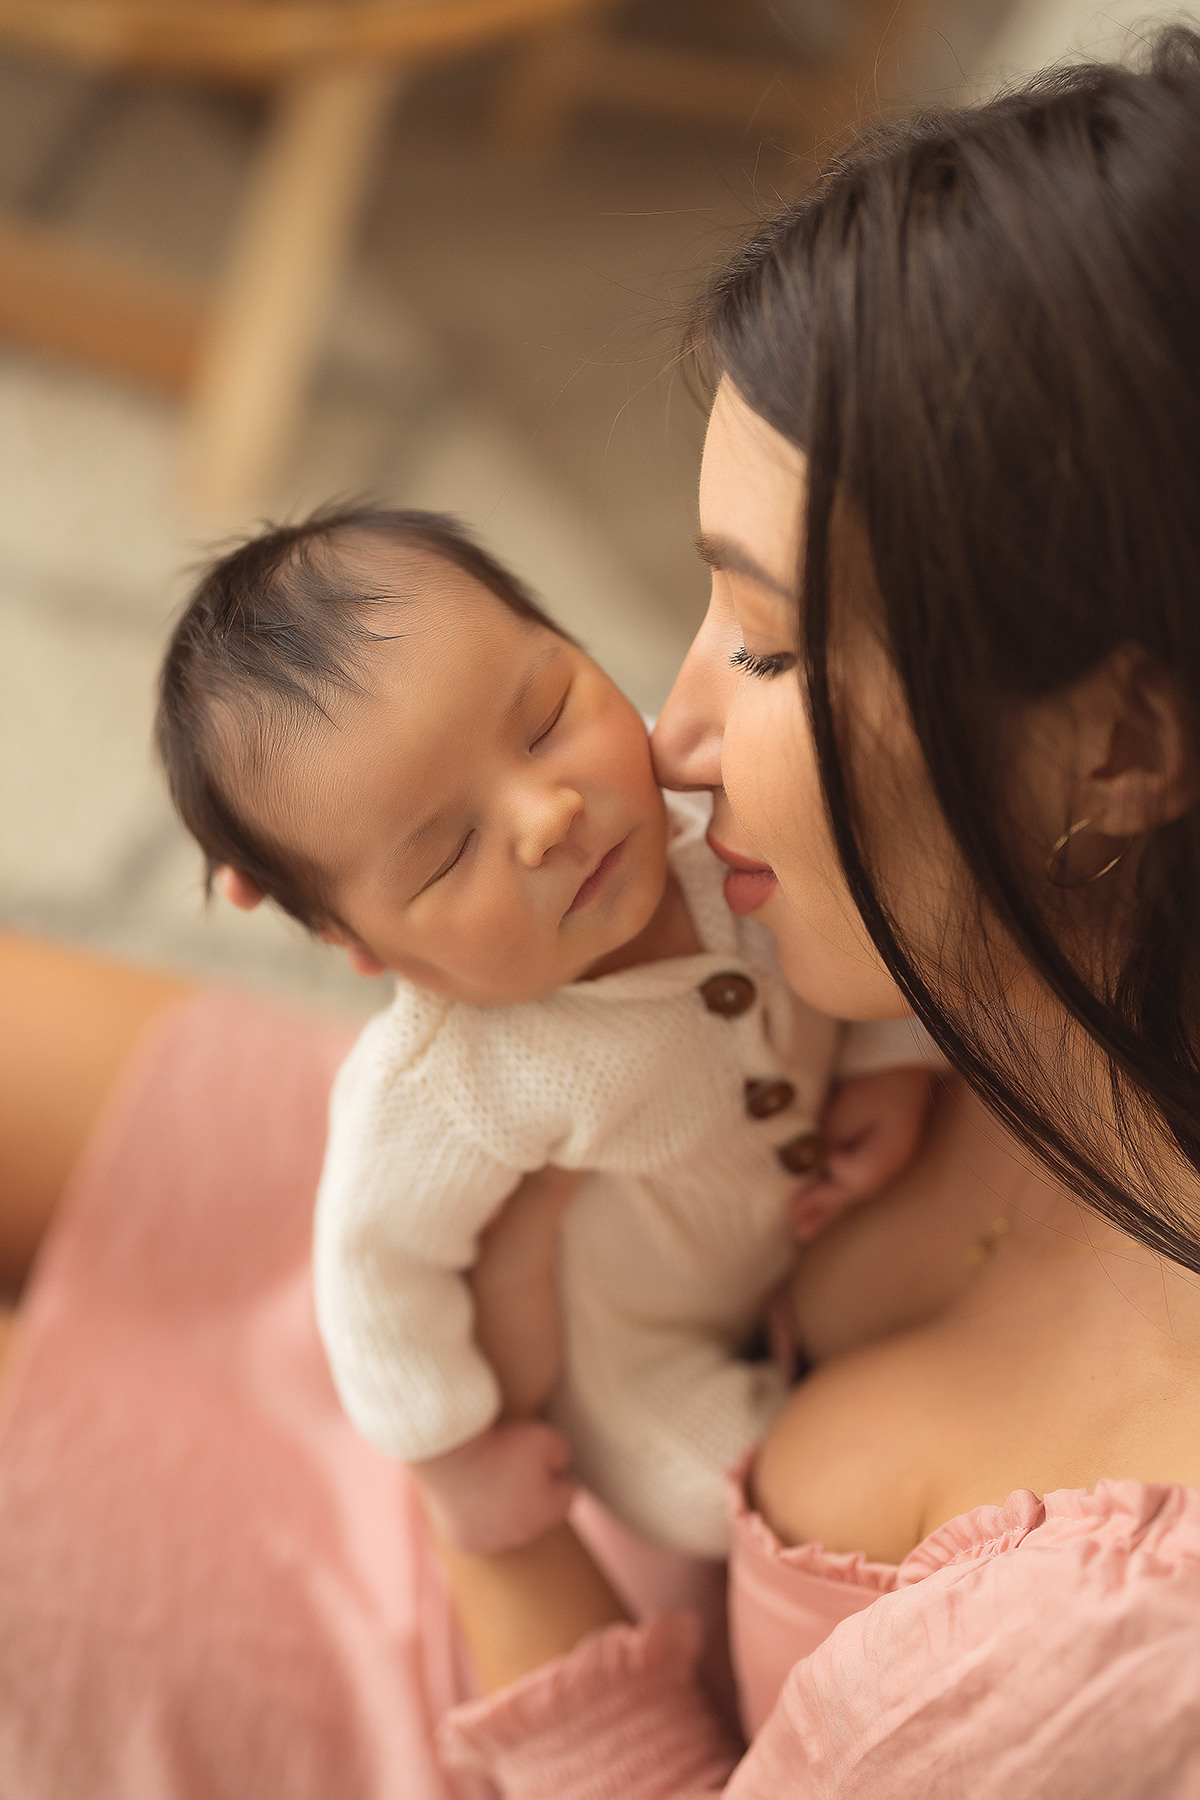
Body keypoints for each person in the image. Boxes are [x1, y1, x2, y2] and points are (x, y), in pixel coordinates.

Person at [0, 28, 1198, 1800]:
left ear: (1121, 743)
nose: (679, 737)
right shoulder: (1047, 940)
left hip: (474, 1623)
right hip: (517, 1239)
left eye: (773, 643)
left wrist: (473, 1502)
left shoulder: (1100, 1661)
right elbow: (405, 1215)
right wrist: (388, 873)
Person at [154, 506, 934, 1559]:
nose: (547, 814)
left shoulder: (717, 810)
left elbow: (868, 925)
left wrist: (891, 1060)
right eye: (446, 855)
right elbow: (377, 1265)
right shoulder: (450, 1078)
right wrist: (454, 1456)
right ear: (365, 944)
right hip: (637, 1358)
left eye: (548, 716)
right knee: (757, 1501)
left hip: (802, 1232)